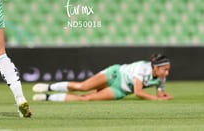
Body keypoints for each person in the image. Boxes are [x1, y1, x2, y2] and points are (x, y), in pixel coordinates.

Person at [32, 53, 173, 102]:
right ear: (155, 67)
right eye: (165, 69)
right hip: (115, 75)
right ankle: (48, 87)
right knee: (83, 87)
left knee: (86, 99)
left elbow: (160, 93)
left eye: (168, 70)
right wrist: (157, 99)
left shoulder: (161, 78)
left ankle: (47, 97)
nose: (166, 73)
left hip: (121, 90)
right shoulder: (142, 68)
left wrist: (162, 95)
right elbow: (138, 92)